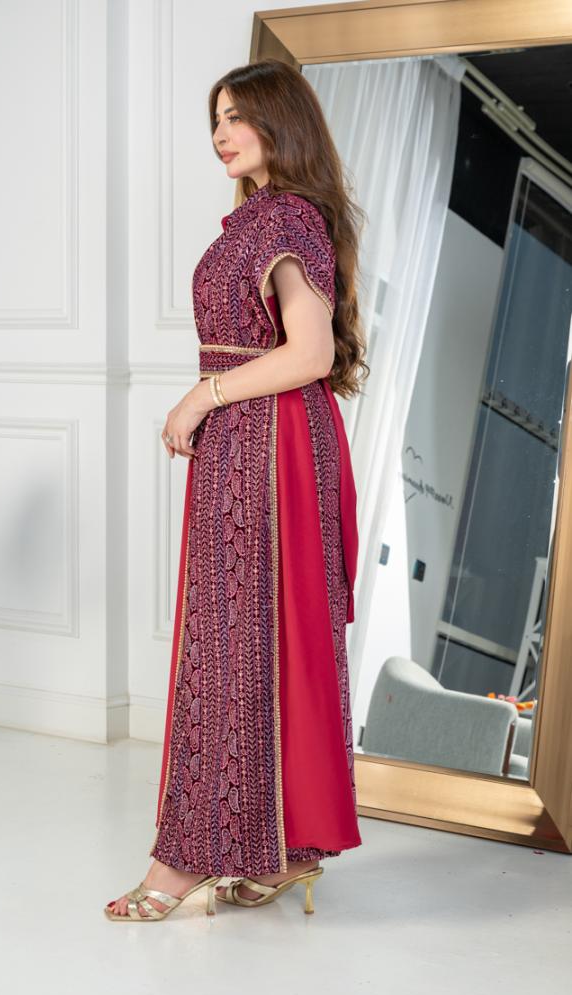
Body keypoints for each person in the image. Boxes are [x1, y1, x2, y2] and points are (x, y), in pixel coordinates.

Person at [105, 57, 370, 922]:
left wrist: (201, 396)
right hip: (250, 441)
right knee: (242, 642)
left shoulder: (287, 219)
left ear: (279, 122)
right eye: (215, 118)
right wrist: (213, 405)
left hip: (271, 445)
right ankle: (277, 850)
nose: (221, 133)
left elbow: (311, 354)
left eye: (238, 116)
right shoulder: (256, 219)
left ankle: (184, 860)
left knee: (235, 643)